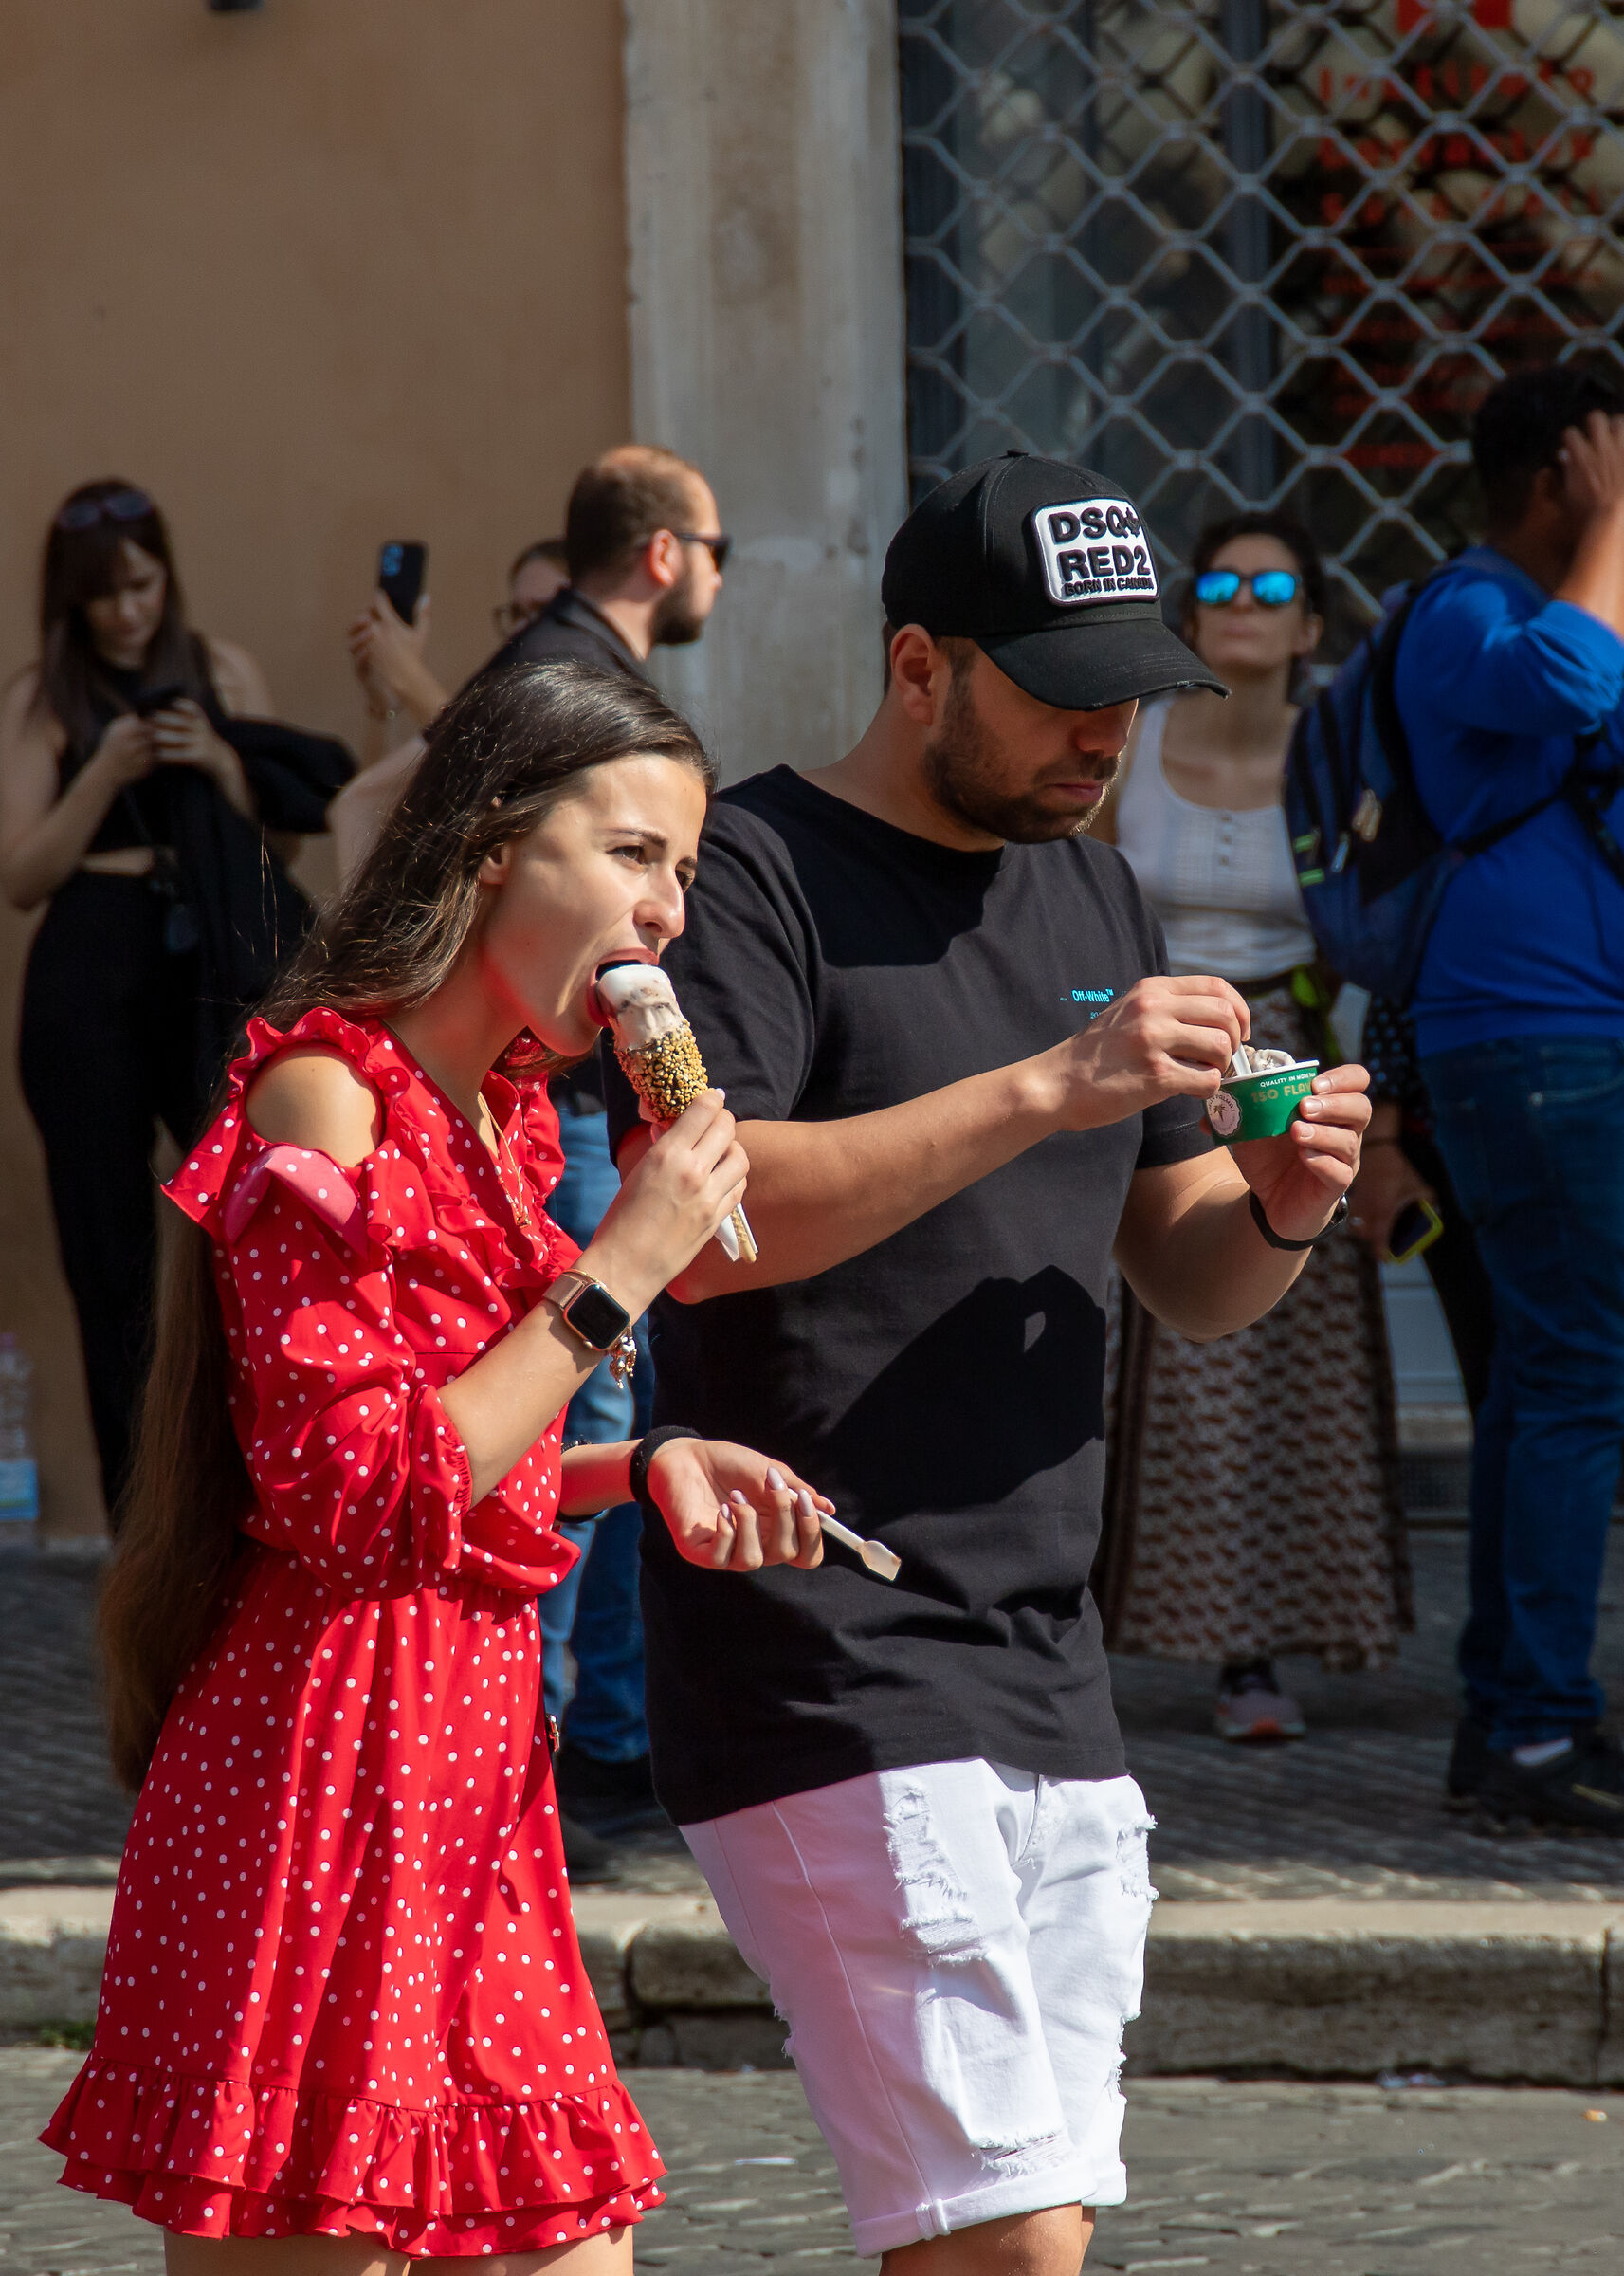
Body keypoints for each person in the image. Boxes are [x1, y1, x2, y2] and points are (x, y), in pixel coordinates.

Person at [605, 452, 1371, 2272]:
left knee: (1015, 2235)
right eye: (1061, 689)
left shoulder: (1096, 904)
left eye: (1130, 694)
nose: (1103, 736)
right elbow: (713, 1223)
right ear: (921, 667)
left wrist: (1277, 1204)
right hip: (822, 1644)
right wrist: (1050, 1085)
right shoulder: (756, 874)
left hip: (1049, 1666)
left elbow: (1183, 1276)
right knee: (1002, 2240)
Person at [42, 659, 830, 2267]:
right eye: (630, 854)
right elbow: (356, 1491)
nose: (667, 910)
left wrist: (641, 1463)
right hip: (322, 1781)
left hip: (472, 1777)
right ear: (488, 849)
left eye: (683, 870)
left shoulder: (511, 1122)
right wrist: (617, 1269)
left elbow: (471, 1452)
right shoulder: (321, 1092)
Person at [1093, 511, 1409, 1740]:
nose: (1242, 598)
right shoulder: (1134, 739)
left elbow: (1372, 929)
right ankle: (1111, 1635)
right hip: (1155, 1054)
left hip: (1290, 1059)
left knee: (1285, 1364)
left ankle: (1256, 1655)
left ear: (1310, 624)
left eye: (1271, 582)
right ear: (1189, 613)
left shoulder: (1337, 758)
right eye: (1218, 579)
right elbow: (1074, 901)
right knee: (1147, 1364)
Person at [0, 480, 343, 1517]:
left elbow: (276, 847)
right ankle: (130, 1512)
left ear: (166, 578)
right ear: (73, 602)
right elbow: (22, 874)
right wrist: (102, 771)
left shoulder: (222, 671)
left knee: (244, 1229)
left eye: (143, 586)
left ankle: (252, 1498)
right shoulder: (44, 696)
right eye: (104, 597)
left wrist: (223, 766)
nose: (128, 613)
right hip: (90, 976)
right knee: (108, 1255)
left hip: (208, 969)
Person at [1393, 364, 1624, 1831]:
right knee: (1578, 1384)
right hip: (1532, 1048)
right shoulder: (1464, 612)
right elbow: (1569, 685)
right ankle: (1531, 1726)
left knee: (1551, 1386)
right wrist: (1613, 530)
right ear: (1561, 477)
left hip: (1568, 1039)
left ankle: (1511, 1711)